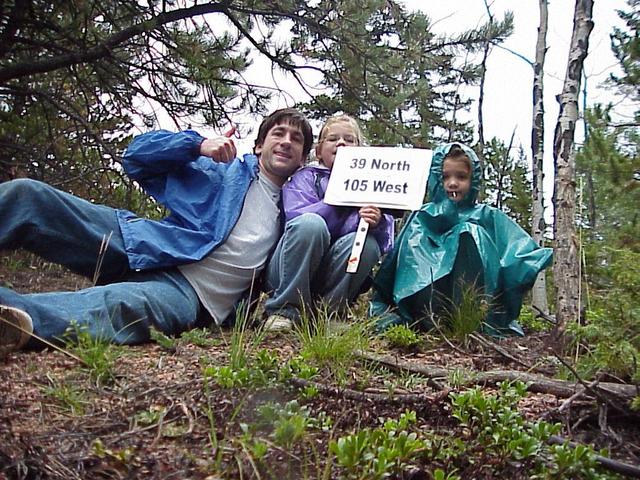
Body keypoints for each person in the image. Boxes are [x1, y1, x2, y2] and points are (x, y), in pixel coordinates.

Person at [0, 108, 313, 357]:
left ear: (302, 160)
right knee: (29, 197)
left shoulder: (299, 211)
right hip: (146, 244)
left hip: (187, 295)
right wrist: (196, 145)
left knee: (120, 305)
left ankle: (17, 317)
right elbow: (136, 158)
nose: (286, 141)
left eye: (296, 139)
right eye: (278, 133)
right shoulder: (221, 171)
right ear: (259, 145)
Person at [370, 142, 553, 336]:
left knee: (470, 233)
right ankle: (425, 319)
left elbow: (519, 250)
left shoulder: (487, 215)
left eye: (461, 177)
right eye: (445, 177)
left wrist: (527, 264)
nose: (453, 183)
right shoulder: (421, 216)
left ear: (472, 180)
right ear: (435, 179)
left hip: (475, 312)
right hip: (422, 309)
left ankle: (471, 319)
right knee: (417, 238)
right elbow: (394, 263)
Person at [263, 114, 395, 331]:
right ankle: (284, 310)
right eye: (333, 139)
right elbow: (297, 219)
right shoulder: (305, 178)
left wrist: (377, 222)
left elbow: (384, 243)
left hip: (334, 271)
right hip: (290, 270)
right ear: (318, 151)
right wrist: (337, 200)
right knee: (310, 225)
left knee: (366, 243)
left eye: (349, 140)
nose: (341, 143)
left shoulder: (372, 185)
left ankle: (331, 314)